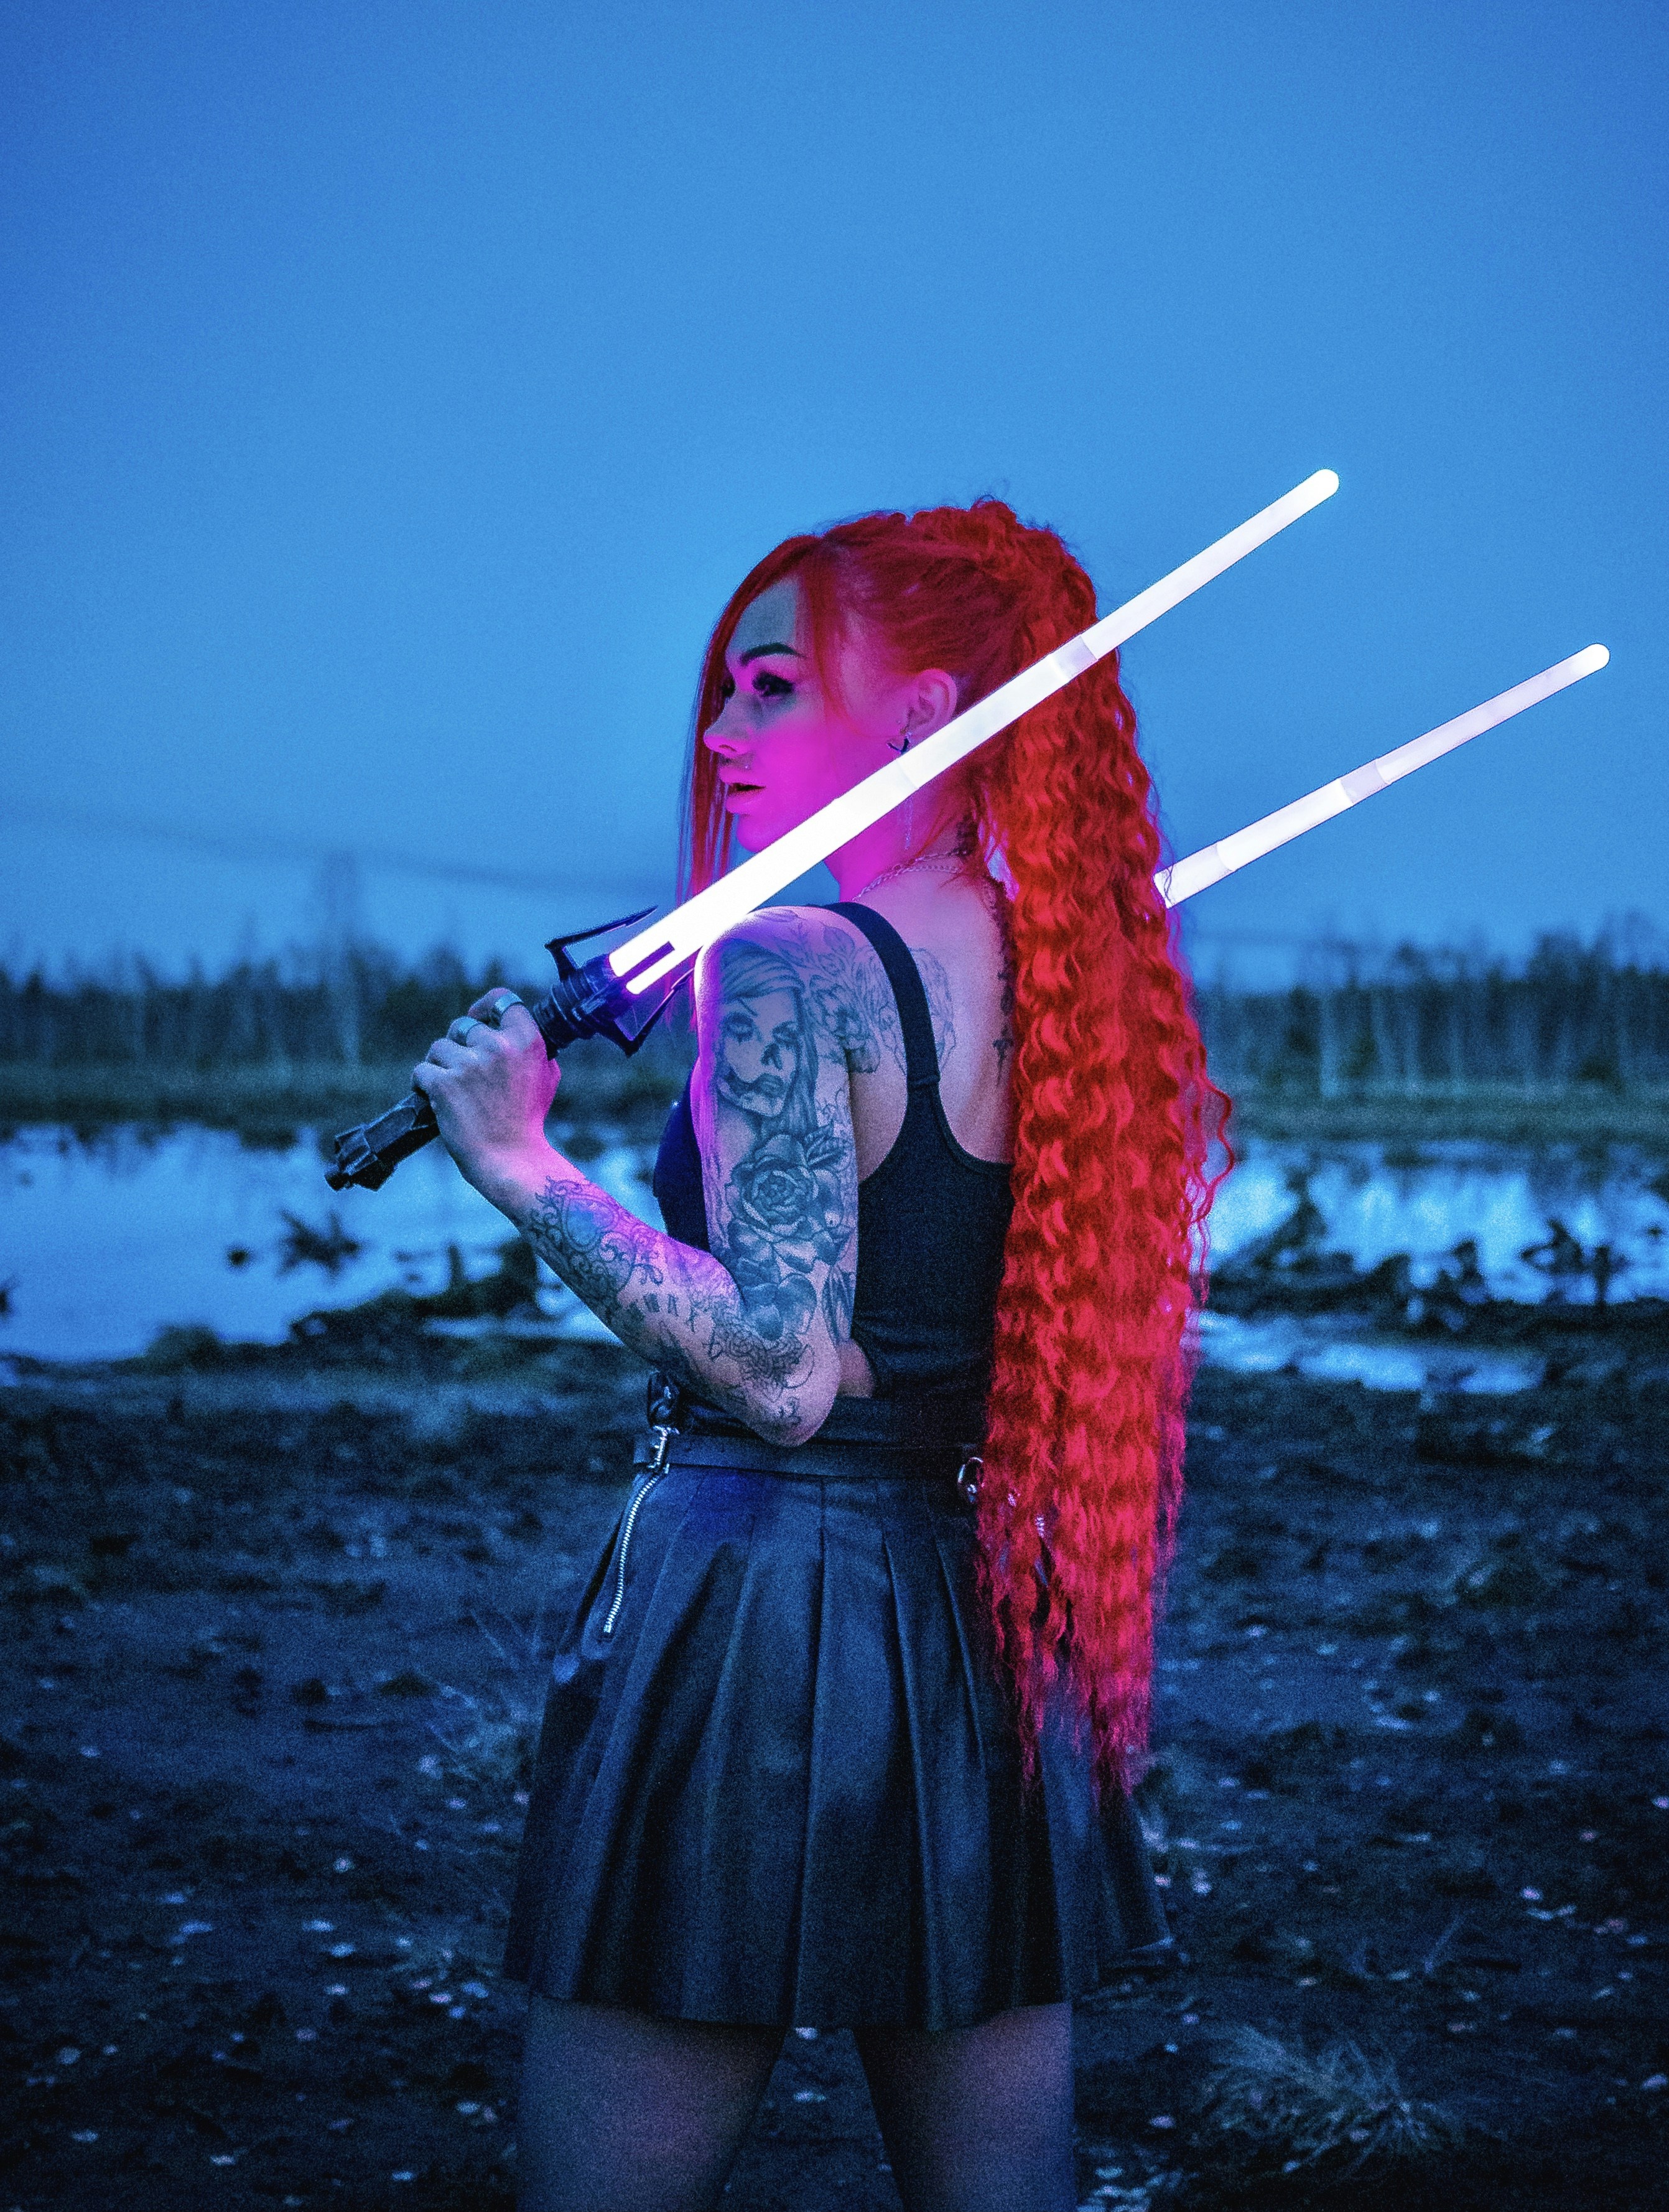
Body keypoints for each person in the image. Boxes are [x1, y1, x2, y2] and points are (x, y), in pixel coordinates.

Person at [412, 499, 1227, 2212]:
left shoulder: (789, 961)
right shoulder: (1072, 987)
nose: (719, 736)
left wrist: (520, 1162)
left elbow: (780, 1373)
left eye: (772, 687)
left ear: (928, 713)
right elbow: (885, 1350)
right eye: (724, 692)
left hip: (752, 1619)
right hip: (966, 1625)